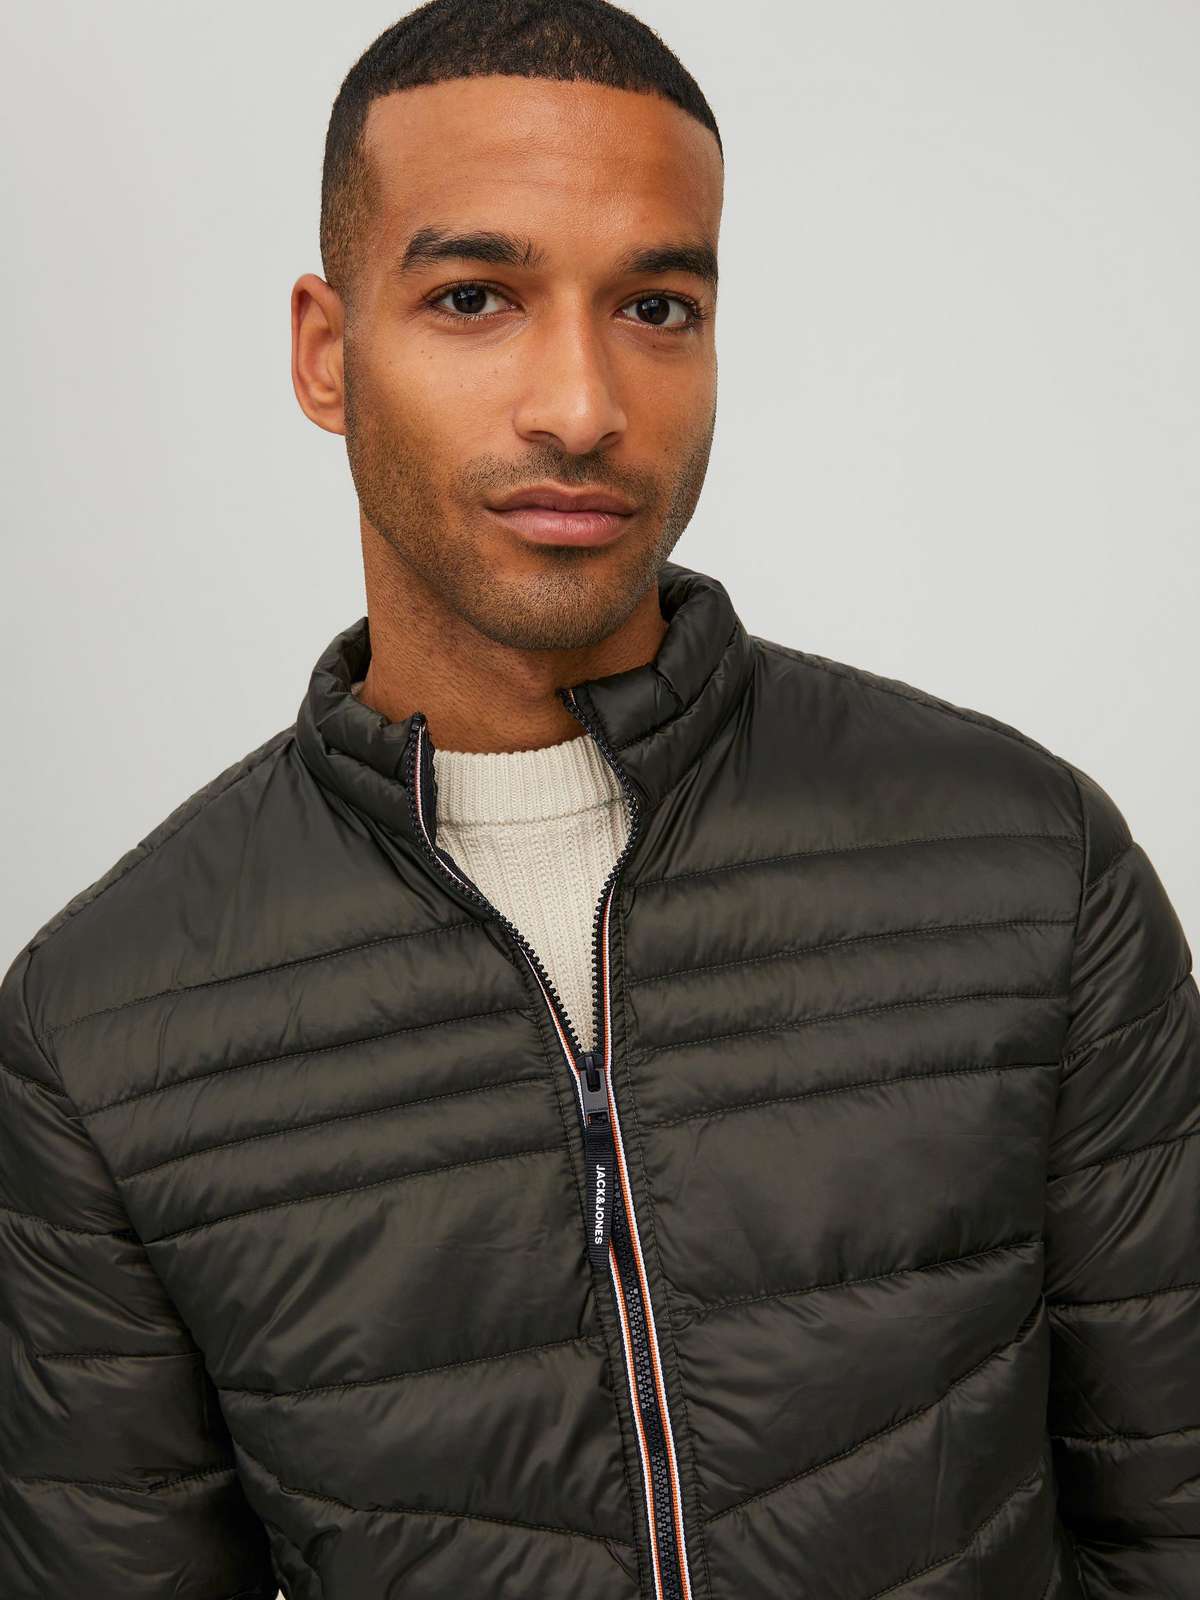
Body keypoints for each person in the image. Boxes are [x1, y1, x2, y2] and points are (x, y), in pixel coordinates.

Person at [1, 2, 1196, 1596]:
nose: (580, 404)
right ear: (326, 353)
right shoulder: (103, 1030)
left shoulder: (1034, 870)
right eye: (474, 297)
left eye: (654, 306)